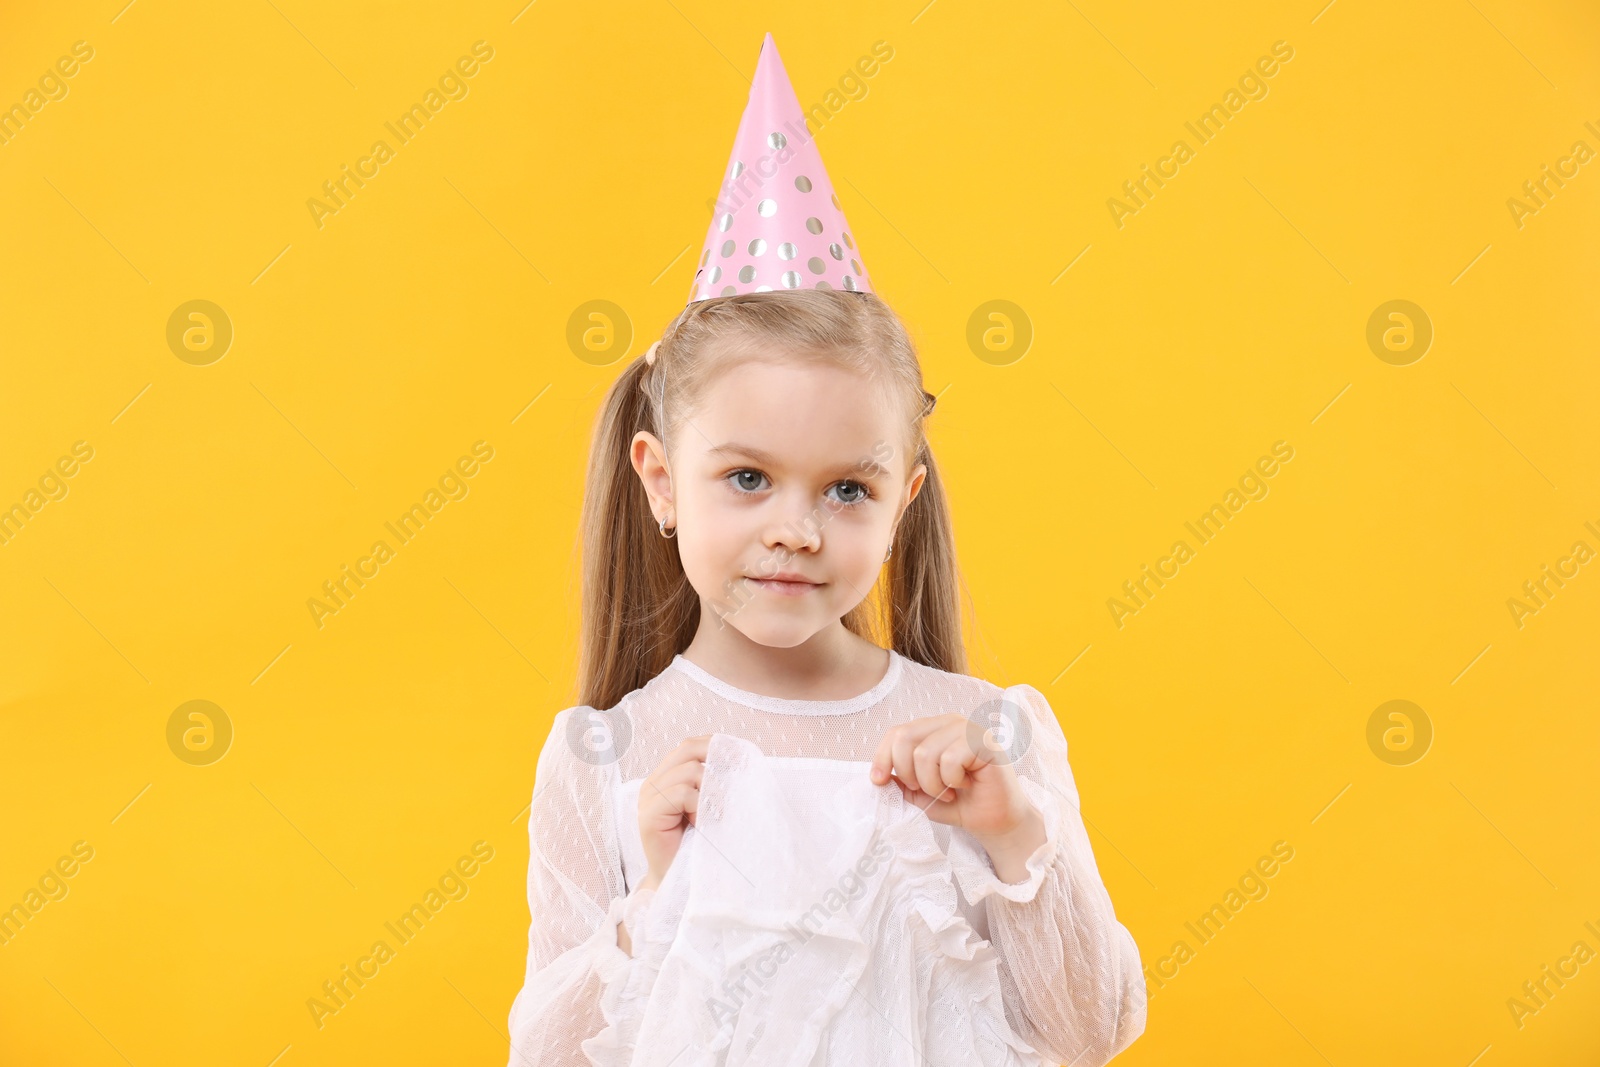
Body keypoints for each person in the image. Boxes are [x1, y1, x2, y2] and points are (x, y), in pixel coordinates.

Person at [505, 32, 1146, 1067]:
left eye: (848, 488)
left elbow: (1086, 1031)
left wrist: (1015, 831)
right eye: (747, 477)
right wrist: (657, 899)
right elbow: (544, 1056)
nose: (796, 528)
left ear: (904, 499)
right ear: (661, 479)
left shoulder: (988, 736)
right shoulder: (605, 758)